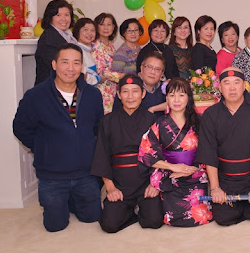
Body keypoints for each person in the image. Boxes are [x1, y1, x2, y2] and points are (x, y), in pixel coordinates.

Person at [13, 44, 104, 232]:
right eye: (65, 62)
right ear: (54, 64)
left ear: (81, 66)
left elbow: (97, 127)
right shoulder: (35, 96)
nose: (70, 68)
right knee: (55, 226)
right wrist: (43, 147)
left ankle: (72, 199)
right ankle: (62, 201)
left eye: (76, 63)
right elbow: (21, 128)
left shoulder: (93, 94)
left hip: (85, 174)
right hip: (52, 176)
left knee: (92, 217)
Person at [197, 67, 250, 226]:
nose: (232, 88)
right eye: (227, 83)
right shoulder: (210, 115)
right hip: (226, 179)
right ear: (220, 88)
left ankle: (246, 204)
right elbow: (209, 154)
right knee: (223, 218)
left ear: (244, 85)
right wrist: (215, 188)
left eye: (237, 82)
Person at [91, 74, 163, 233]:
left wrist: (155, 184)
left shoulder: (152, 119)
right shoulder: (107, 121)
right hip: (120, 182)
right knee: (109, 225)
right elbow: (102, 156)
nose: (130, 96)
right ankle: (129, 211)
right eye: (125, 91)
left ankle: (140, 208)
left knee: (154, 220)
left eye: (135, 91)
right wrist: (110, 188)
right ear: (118, 94)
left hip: (145, 181)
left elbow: (160, 155)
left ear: (143, 94)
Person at [139, 78, 213, 227]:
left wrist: (192, 169)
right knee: (169, 217)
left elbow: (209, 150)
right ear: (166, 98)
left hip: (195, 174)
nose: (176, 100)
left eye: (181, 95)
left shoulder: (200, 122)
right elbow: (145, 153)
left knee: (201, 217)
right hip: (170, 175)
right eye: (172, 95)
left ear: (188, 98)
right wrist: (173, 167)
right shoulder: (159, 124)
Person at [35, 0, 78, 85]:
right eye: (58, 15)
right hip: (51, 88)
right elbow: (59, 69)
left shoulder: (69, 37)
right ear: (50, 17)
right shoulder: (48, 39)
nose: (63, 19)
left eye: (67, 15)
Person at [113, 51, 167, 116]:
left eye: (157, 69)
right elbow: (116, 115)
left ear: (162, 73)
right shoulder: (128, 86)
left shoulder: (165, 89)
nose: (152, 72)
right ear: (141, 68)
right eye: (149, 67)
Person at [92, 12, 121, 114]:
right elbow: (101, 71)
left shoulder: (112, 47)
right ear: (96, 27)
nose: (106, 28)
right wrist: (123, 76)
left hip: (113, 90)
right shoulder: (93, 45)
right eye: (102, 24)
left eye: (109, 24)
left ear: (113, 27)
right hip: (100, 90)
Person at [72, 17, 101, 86]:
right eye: (85, 30)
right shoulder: (77, 51)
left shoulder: (86, 50)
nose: (89, 33)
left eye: (92, 30)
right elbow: (82, 75)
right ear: (77, 31)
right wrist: (98, 79)